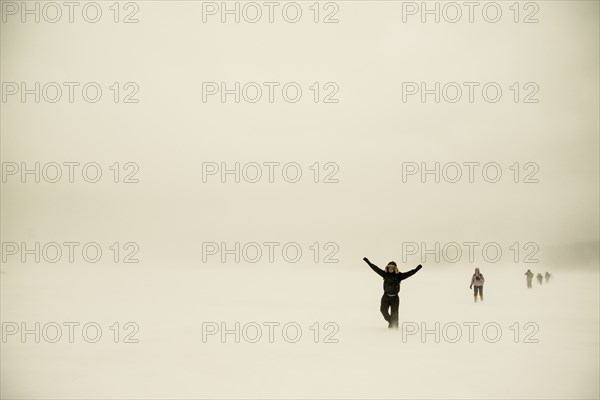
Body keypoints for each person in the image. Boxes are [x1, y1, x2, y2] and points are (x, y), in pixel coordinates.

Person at [363, 257, 422, 329]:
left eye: (392, 268)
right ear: (387, 268)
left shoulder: (399, 276)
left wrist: (416, 269)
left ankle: (394, 329)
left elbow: (409, 273)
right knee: (383, 311)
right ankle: (391, 322)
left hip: (395, 298)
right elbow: (375, 268)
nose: (390, 269)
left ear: (395, 269)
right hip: (385, 297)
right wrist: (368, 262)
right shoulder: (384, 274)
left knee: (395, 315)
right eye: (389, 267)